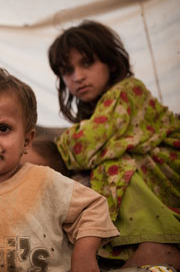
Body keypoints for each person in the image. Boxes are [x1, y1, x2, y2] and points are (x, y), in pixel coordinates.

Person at [0, 67, 119, 271]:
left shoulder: (45, 181)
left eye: (3, 129)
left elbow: (93, 209)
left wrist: (83, 256)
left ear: (27, 140)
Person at [48, 20, 180, 269]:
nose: (78, 77)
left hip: (171, 172)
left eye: (87, 63)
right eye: (67, 71)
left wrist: (68, 142)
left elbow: (83, 145)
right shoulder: (94, 110)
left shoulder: (129, 90)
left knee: (114, 164)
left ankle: (159, 245)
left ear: (110, 61)